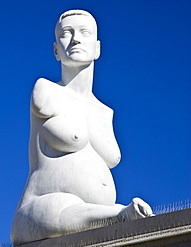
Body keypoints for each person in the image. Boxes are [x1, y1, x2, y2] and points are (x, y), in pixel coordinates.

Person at [11, 9, 153, 246]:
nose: (75, 38)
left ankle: (112, 215)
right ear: (56, 50)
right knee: (60, 208)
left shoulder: (105, 113)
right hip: (40, 211)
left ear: (97, 48)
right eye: (66, 33)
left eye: (84, 32)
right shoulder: (46, 91)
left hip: (90, 218)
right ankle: (117, 215)